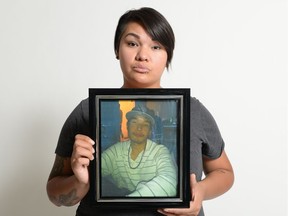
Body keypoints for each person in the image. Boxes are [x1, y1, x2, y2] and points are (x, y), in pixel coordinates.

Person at [46, 7, 234, 216]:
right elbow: (54, 193)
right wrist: (80, 182)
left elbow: (224, 172)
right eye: (132, 43)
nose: (143, 55)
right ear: (117, 49)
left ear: (168, 55)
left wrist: (200, 191)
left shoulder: (190, 113)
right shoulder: (88, 113)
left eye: (156, 46)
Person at [101, 104, 177, 197]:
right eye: (134, 122)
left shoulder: (159, 151)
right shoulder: (116, 151)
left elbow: (170, 181)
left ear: (149, 131)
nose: (139, 128)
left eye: (145, 125)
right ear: (127, 126)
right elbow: (94, 171)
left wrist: (126, 203)